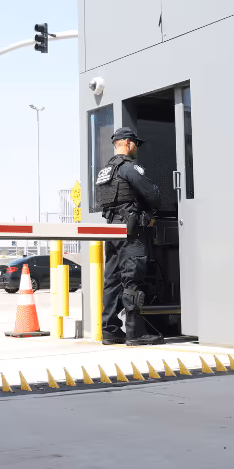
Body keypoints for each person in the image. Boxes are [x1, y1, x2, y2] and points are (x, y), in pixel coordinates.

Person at [94, 127, 162, 345]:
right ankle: (135, 333)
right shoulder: (129, 168)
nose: (137, 149)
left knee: (112, 281)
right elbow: (152, 195)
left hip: (112, 229)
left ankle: (111, 330)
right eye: (136, 144)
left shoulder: (105, 171)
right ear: (128, 143)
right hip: (131, 230)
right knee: (133, 277)